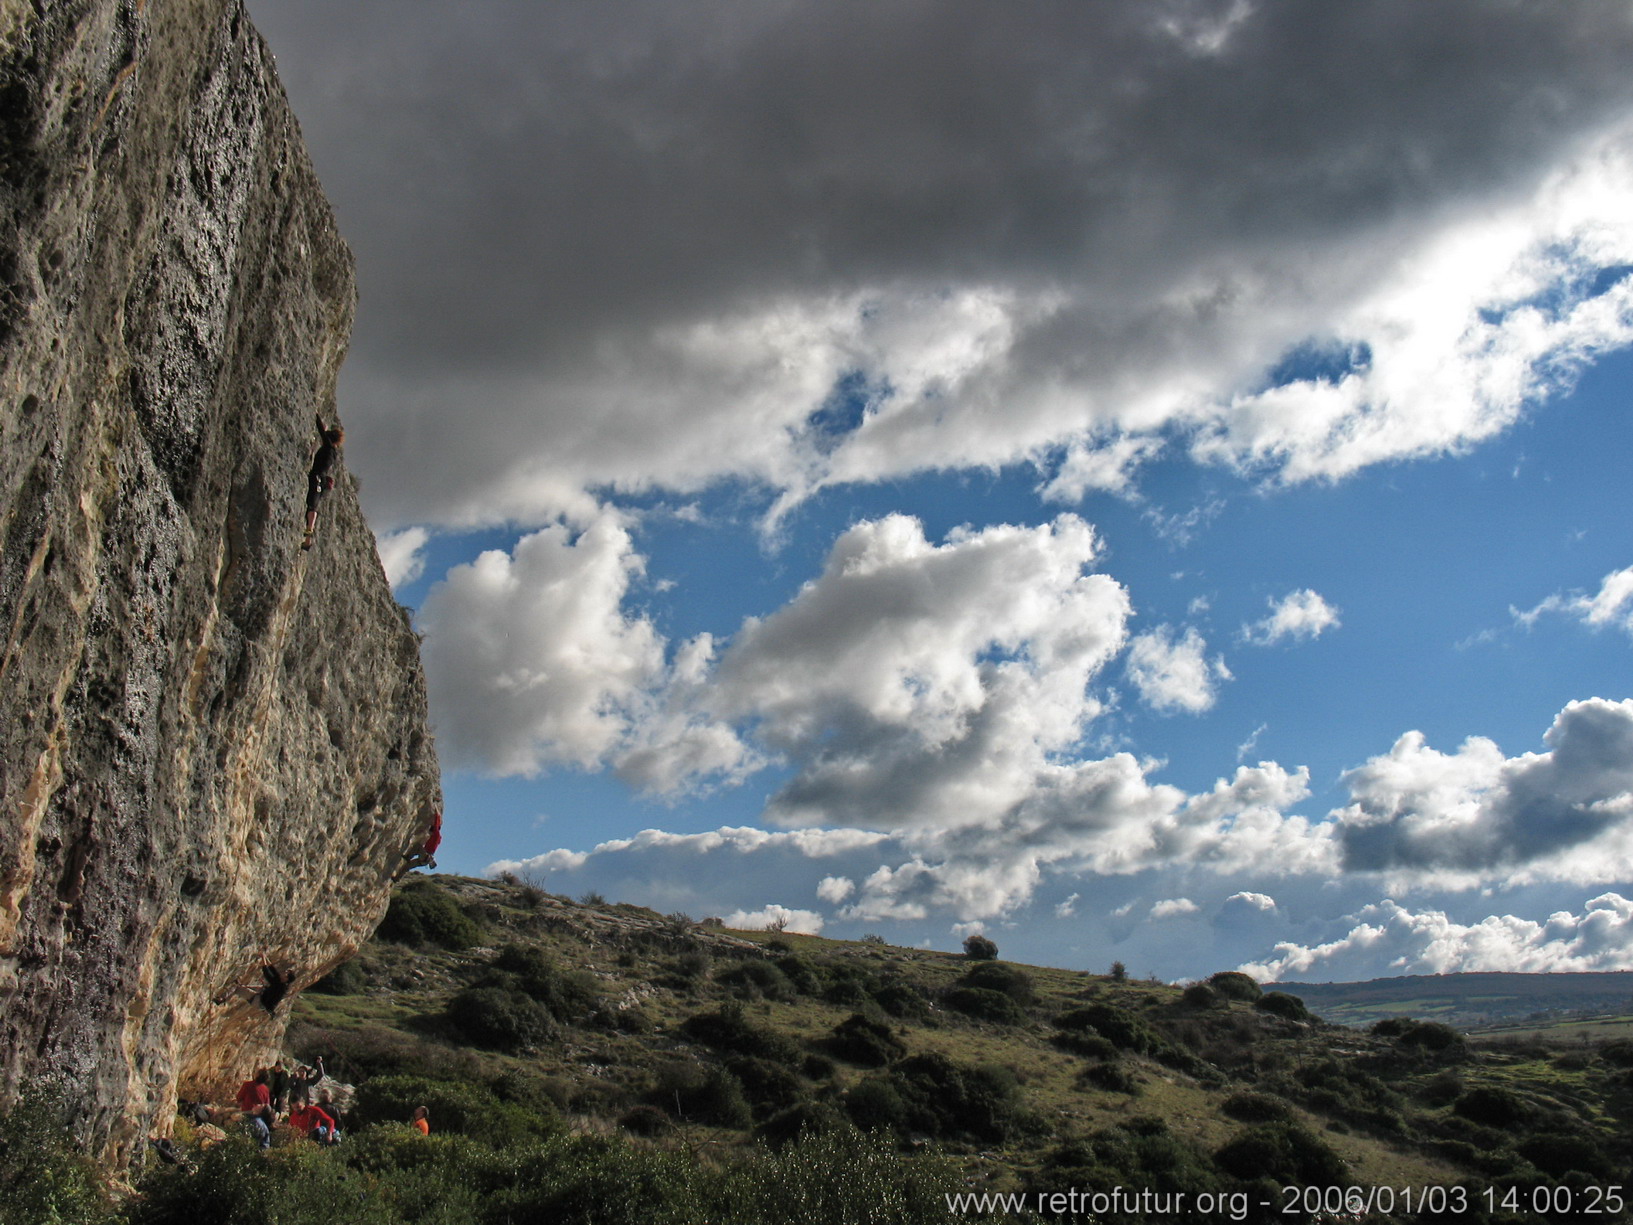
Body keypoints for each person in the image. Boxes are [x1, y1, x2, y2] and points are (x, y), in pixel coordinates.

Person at [302, 414, 344, 550]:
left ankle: (308, 540)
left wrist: (315, 414)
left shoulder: (328, 447)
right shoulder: (334, 453)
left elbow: (321, 430)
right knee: (312, 508)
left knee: (312, 508)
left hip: (317, 478)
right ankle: (308, 538)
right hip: (322, 481)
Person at [213, 952, 296, 1014]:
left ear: (286, 978)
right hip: (262, 996)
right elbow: (273, 970)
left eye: (285, 973)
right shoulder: (282, 982)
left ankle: (221, 999)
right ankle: (242, 986)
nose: (283, 973)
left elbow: (267, 973)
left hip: (259, 1001)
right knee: (255, 987)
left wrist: (263, 958)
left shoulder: (279, 986)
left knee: (237, 988)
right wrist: (265, 957)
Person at [394, 810, 442, 880]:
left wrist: (437, 814)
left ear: (432, 831)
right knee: (407, 866)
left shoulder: (436, 834)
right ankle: (396, 879)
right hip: (424, 860)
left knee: (418, 846)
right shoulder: (437, 838)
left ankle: (408, 857)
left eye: (430, 831)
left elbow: (436, 825)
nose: (429, 833)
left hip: (426, 856)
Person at [234, 1070, 273, 1149]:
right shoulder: (265, 1089)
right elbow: (267, 1104)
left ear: (257, 1075)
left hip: (246, 1112)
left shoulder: (247, 1085)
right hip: (260, 1117)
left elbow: (239, 1098)